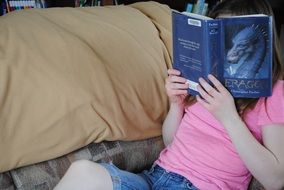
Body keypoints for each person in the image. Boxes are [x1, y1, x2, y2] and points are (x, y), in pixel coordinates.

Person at [54, 0, 284, 189]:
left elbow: (275, 180)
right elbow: (171, 142)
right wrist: (176, 104)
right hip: (155, 177)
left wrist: (229, 117)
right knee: (83, 171)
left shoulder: (273, 93)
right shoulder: (205, 81)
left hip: (201, 186)